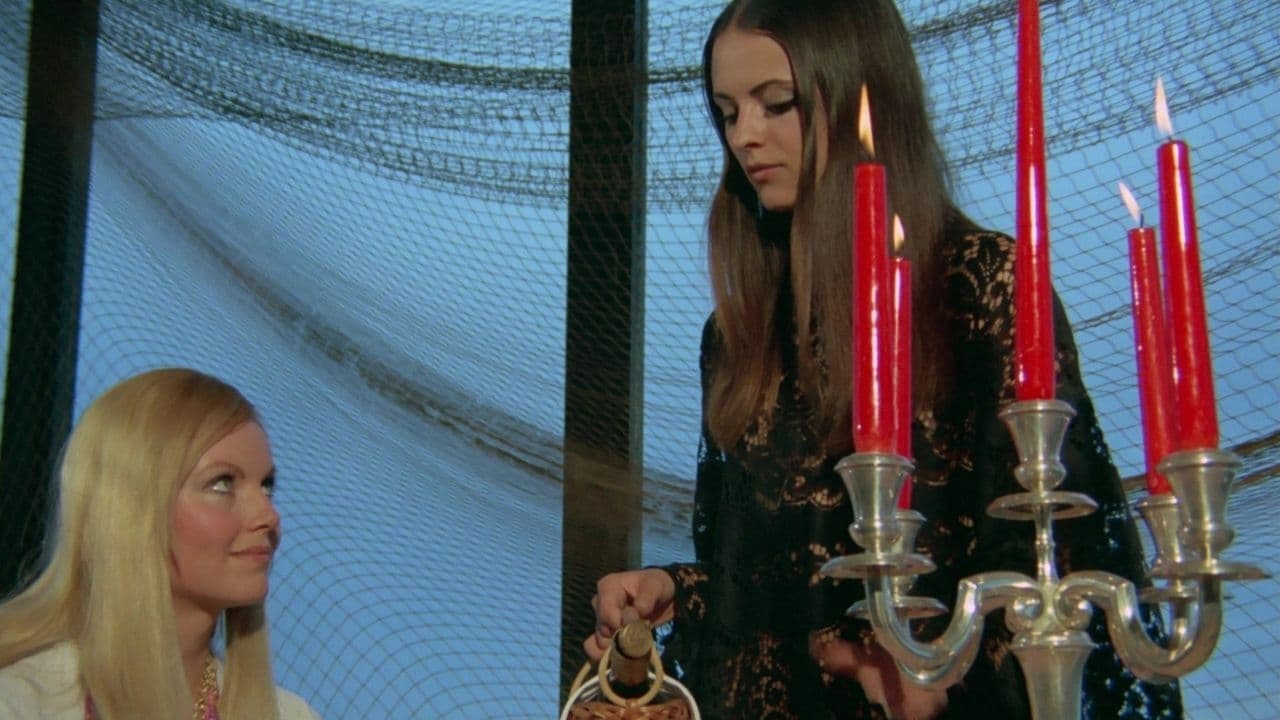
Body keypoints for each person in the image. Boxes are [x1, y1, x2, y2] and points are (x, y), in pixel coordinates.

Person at [586, 1, 1183, 718]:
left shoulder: (981, 293)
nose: (745, 135)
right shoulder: (739, 335)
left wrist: (939, 676)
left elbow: (1064, 575)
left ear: (859, 98)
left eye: (778, 103)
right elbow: (770, 590)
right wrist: (679, 593)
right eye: (727, 112)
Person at [0, 368, 320, 719]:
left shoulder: (291, 714)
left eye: (267, 486)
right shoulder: (22, 702)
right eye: (223, 484)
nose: (268, 516)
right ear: (132, 510)